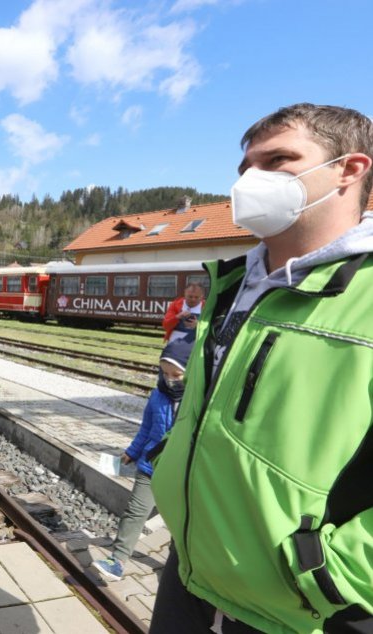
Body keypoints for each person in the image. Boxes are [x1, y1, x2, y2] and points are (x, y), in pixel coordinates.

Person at [150, 104, 373, 634]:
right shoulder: (231, 285)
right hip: (188, 573)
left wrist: (328, 578)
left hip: (302, 611)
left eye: (278, 160)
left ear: (351, 168)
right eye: (245, 168)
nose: (252, 180)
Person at [93, 339, 193, 582]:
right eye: (165, 372)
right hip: (150, 465)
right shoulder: (157, 394)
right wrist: (133, 451)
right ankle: (117, 560)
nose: (170, 379)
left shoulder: (197, 398)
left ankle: (180, 569)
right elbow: (147, 427)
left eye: (176, 374)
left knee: (180, 522)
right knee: (135, 511)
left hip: (179, 471)